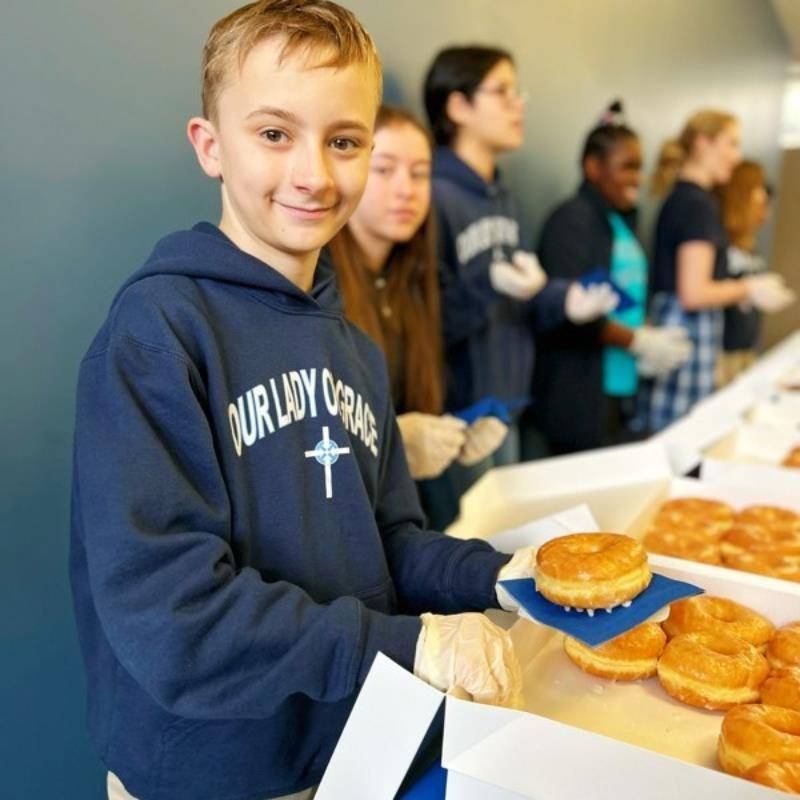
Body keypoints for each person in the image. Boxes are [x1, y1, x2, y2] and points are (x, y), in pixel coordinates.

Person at [69, 4, 537, 800]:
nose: (315, 174)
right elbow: (174, 617)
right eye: (275, 134)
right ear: (210, 146)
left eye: (344, 141)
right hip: (204, 774)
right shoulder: (157, 334)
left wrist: (503, 577)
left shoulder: (354, 352)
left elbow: (389, 542)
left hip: (349, 753)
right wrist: (406, 646)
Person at [423, 46, 618, 492]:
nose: (519, 103)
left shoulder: (502, 196)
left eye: (518, 91)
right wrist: (486, 283)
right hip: (459, 417)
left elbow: (521, 292)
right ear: (458, 105)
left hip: (510, 403)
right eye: (502, 91)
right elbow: (427, 318)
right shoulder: (432, 194)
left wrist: (563, 299)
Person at [327, 104, 507, 527]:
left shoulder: (414, 281)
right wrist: (394, 444)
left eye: (420, 173)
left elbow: (417, 398)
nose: (406, 189)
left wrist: (455, 431)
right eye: (384, 170)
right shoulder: (319, 285)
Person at [530, 101, 692, 455]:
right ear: (593, 167)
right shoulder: (571, 220)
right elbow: (569, 311)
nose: (637, 178)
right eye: (627, 167)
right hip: (578, 393)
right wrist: (637, 341)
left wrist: (646, 334)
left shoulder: (621, 221)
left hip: (617, 387)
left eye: (640, 167)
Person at [635, 110, 794, 432]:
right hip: (686, 340)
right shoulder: (697, 206)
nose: (735, 158)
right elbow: (693, 292)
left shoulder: (683, 199)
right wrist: (749, 287)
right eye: (730, 144)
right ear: (702, 143)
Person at [717, 160, 774, 384]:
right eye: (761, 203)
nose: (765, 214)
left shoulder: (751, 244)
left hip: (746, 348)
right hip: (722, 352)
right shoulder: (719, 240)